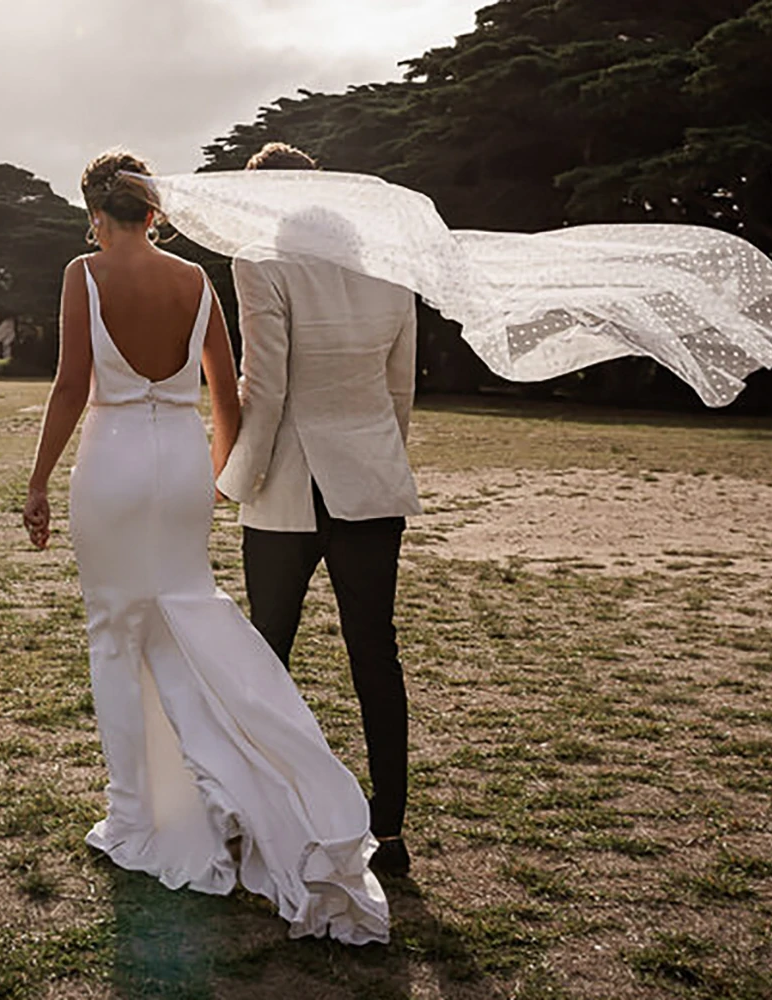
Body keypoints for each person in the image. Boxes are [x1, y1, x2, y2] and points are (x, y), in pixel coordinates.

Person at [22, 150, 389, 945]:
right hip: (185, 463)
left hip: (113, 462)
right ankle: (237, 786)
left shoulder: (82, 272)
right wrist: (223, 475)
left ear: (96, 213)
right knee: (186, 616)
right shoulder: (196, 282)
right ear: (153, 211)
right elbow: (228, 391)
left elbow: (70, 385)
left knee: (117, 638)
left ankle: (141, 816)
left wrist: (38, 481)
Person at [216, 142, 421, 878]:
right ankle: (389, 829)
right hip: (371, 481)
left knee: (267, 653)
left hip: (287, 484)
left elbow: (262, 388)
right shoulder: (390, 268)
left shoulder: (259, 262)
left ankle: (255, 817)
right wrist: (378, 460)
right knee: (376, 651)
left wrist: (233, 478)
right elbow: (401, 391)